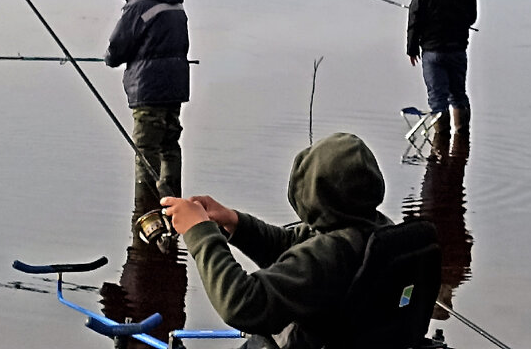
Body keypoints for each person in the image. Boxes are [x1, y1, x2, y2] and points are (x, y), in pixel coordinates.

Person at [161, 132, 439, 349]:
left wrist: (200, 233)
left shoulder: (329, 257)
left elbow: (241, 303)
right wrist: (236, 222)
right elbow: (297, 245)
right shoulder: (375, 231)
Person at [106, 0, 190, 206]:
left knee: (146, 150)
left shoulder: (140, 3)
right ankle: (174, 208)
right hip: (175, 86)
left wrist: (109, 58)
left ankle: (146, 210)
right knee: (169, 145)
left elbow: (117, 47)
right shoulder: (174, 0)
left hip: (149, 89)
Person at [407, 0, 478, 131]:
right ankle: (462, 142)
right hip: (458, 51)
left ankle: (441, 148)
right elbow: (472, 18)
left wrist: (412, 48)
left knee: (438, 102)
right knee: (458, 97)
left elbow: (414, 16)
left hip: (433, 52)